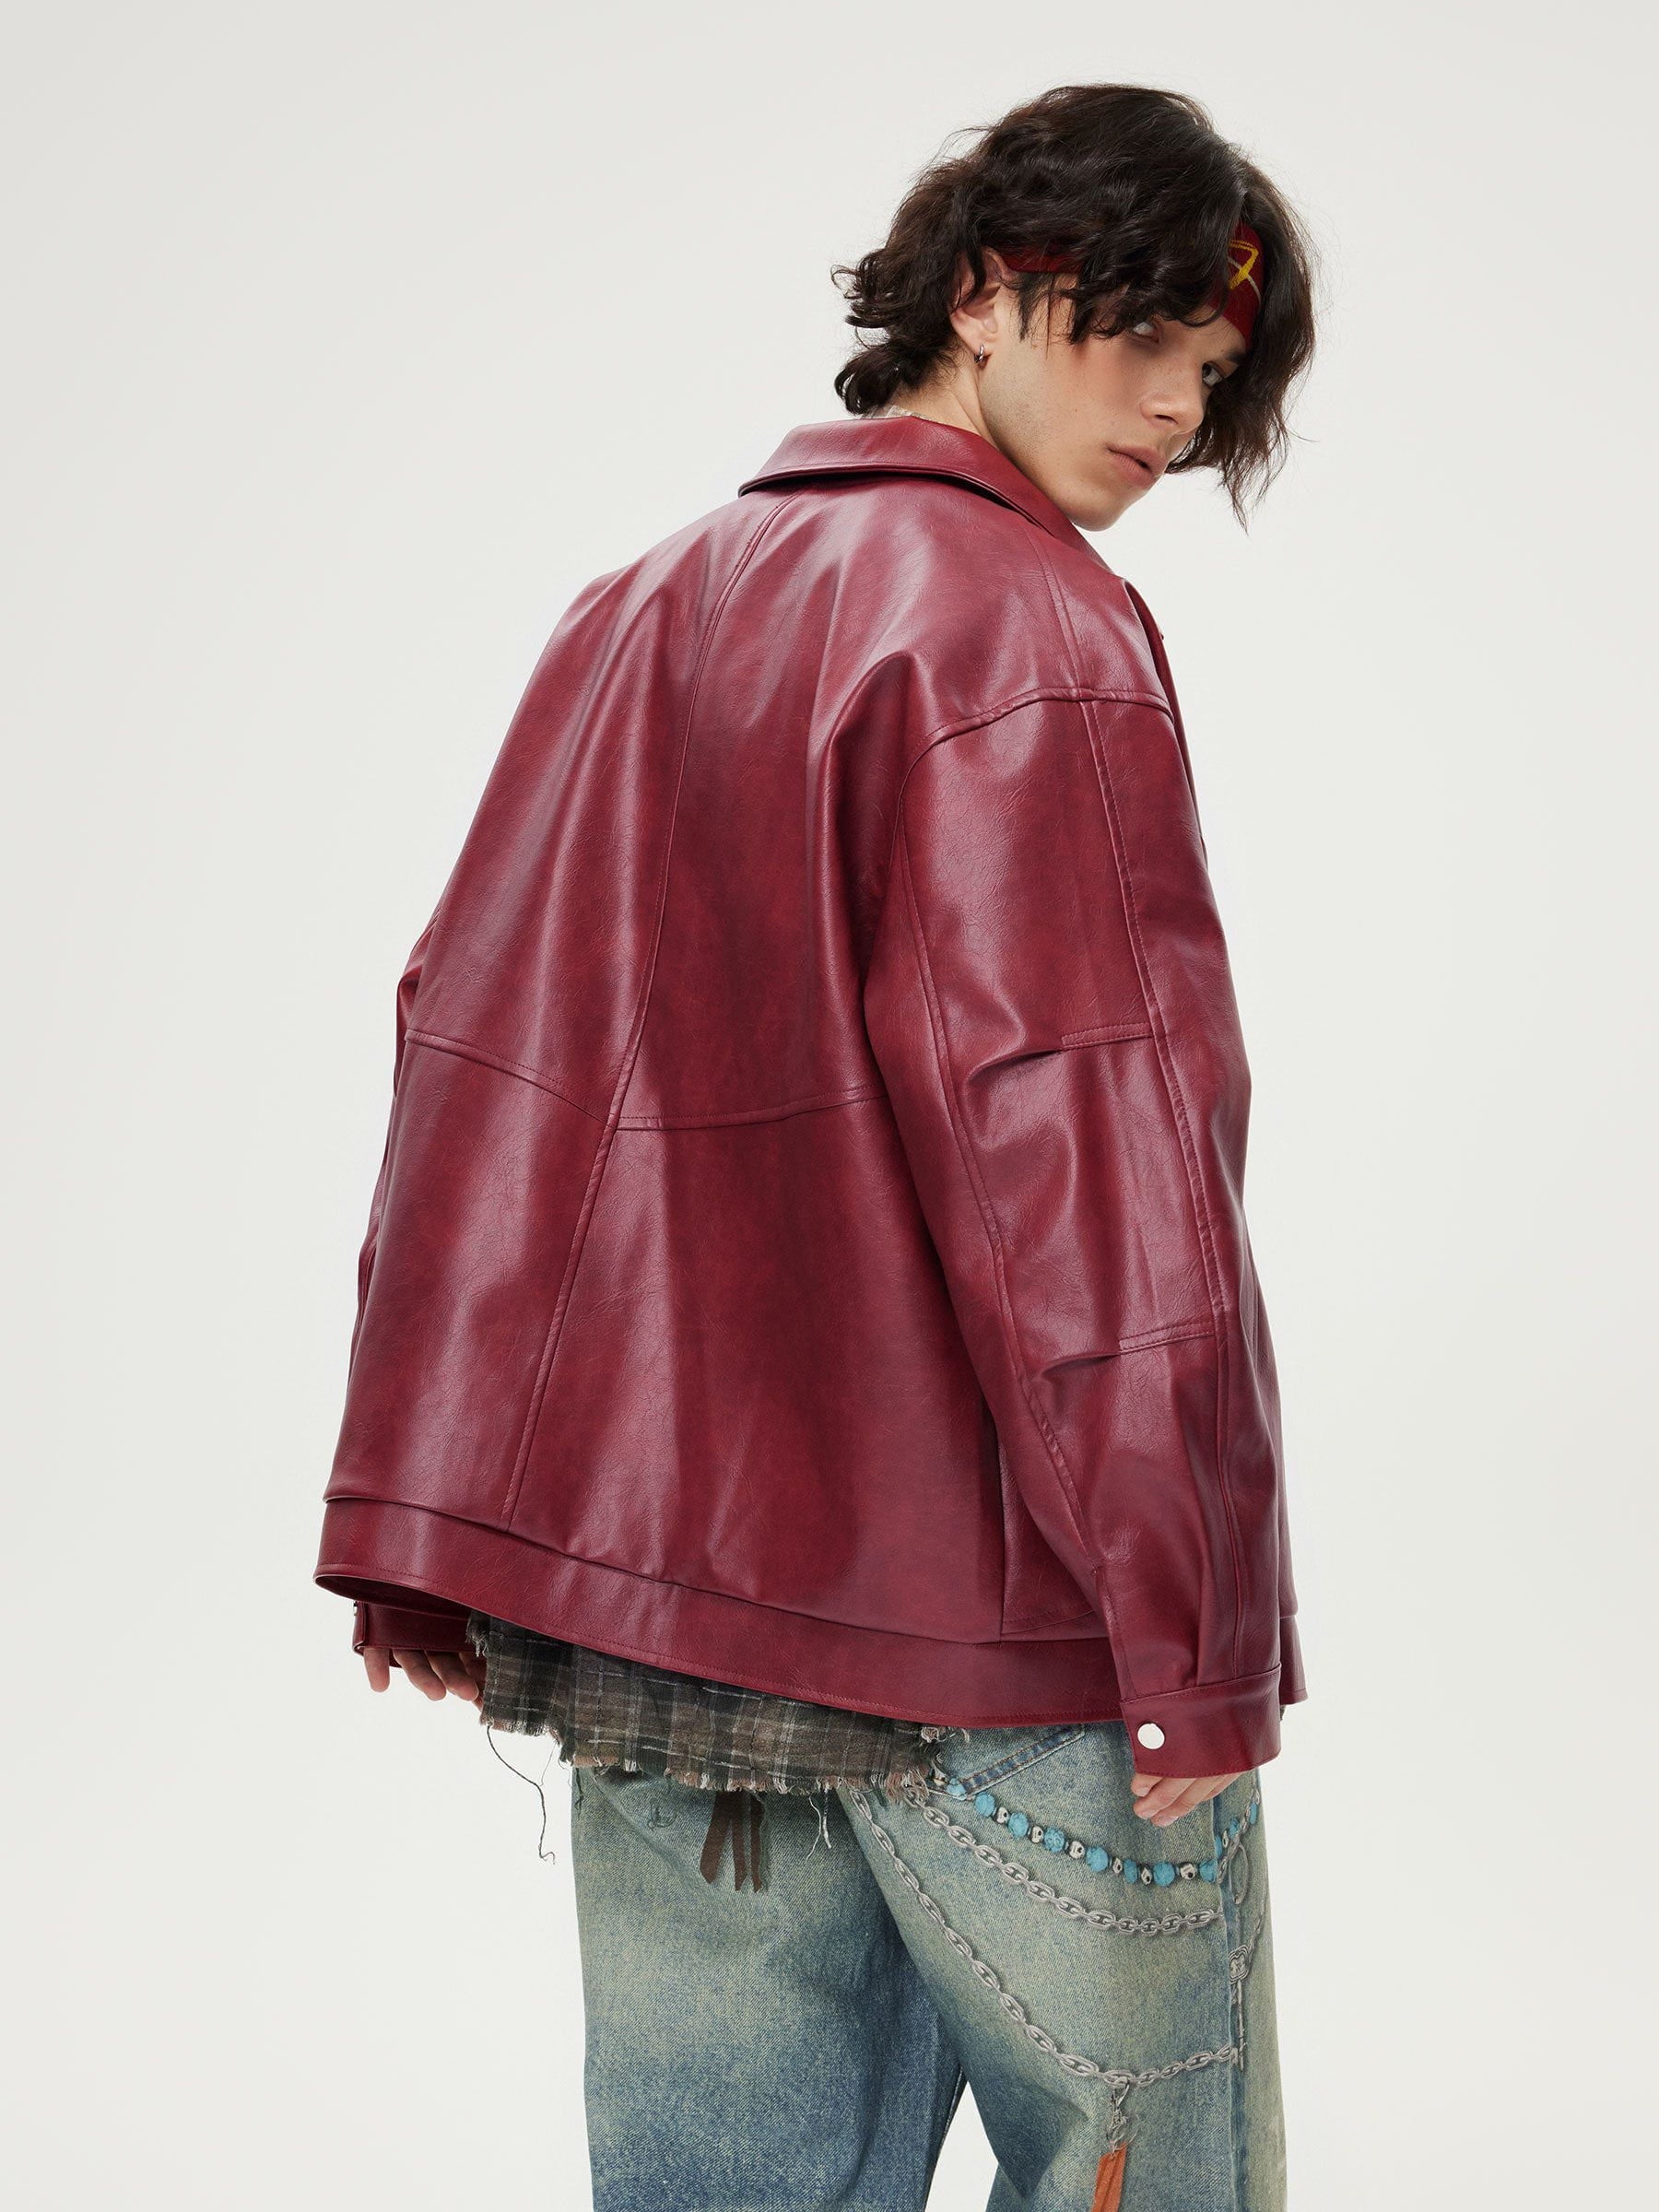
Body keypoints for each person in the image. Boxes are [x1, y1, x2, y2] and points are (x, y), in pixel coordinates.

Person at [315, 79, 1318, 2212]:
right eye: (1142, 333)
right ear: (986, 294)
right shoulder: (1032, 629)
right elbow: (1092, 1157)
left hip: (668, 1650)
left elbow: (473, 1067)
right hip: (1004, 1637)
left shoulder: (635, 608)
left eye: (1214, 370)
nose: (1176, 408)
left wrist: (436, 1523)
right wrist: (1195, 1634)